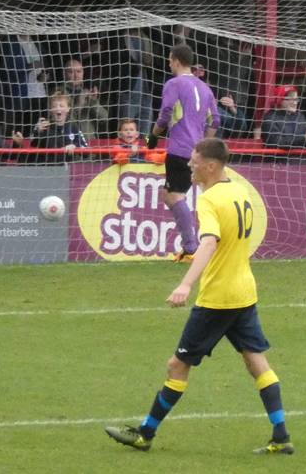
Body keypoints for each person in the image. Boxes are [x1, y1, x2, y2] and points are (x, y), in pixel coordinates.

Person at [105, 138, 293, 455]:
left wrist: (185, 284)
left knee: (177, 365)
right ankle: (281, 435)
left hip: (218, 298)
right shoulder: (239, 191)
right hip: (244, 291)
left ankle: (145, 434)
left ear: (209, 165)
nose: (189, 165)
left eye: (193, 161)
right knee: (256, 361)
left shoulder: (209, 200)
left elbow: (208, 243)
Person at [147, 43, 219, 262]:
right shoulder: (204, 88)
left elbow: (167, 110)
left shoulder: (174, 84)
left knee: (173, 195)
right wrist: (204, 143)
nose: (169, 64)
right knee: (171, 194)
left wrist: (155, 134)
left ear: (176, 61)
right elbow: (215, 119)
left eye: (170, 60)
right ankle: (192, 246)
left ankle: (191, 247)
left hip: (179, 149)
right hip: (197, 150)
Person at [13, 91, 88, 165]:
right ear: (50, 109)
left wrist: (74, 146)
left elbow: (86, 151)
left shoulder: (73, 127)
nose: (58, 109)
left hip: (66, 170)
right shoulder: (44, 125)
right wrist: (38, 132)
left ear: (68, 108)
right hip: (46, 168)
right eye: (54, 106)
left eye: (61, 106)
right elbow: (34, 144)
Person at [56, 58, 109, 138]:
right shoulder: (58, 93)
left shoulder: (85, 92)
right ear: (64, 74)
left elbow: (104, 119)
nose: (76, 76)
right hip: (68, 144)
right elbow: (61, 121)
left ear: (83, 73)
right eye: (71, 72)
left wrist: (94, 102)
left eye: (79, 71)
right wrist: (79, 105)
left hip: (89, 143)